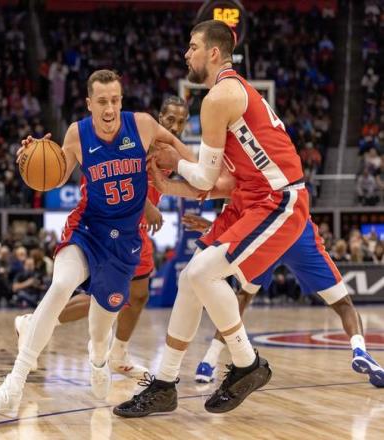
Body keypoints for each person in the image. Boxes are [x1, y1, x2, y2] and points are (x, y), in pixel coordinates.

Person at [114, 20, 311, 418]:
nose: (186, 54)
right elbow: (221, 185)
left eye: (193, 47)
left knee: (204, 273)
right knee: (190, 278)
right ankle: (165, 384)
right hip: (250, 197)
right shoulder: (230, 96)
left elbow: (203, 178)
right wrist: (167, 185)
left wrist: (175, 158)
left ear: (214, 52)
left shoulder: (219, 97)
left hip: (279, 199)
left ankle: (247, 362)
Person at [0, 70, 194, 418]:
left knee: (101, 328)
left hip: (125, 243)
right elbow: (56, 176)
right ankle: (12, 387)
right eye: (102, 101)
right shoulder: (78, 133)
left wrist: (205, 173)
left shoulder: (143, 125)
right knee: (61, 284)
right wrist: (33, 160)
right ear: (89, 104)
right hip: (87, 228)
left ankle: (100, 358)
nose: (109, 108)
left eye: (115, 100)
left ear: (121, 101)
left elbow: (187, 156)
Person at [14, 96, 190, 379]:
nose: (175, 126)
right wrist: (147, 206)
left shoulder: (169, 150)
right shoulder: (137, 137)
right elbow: (117, 173)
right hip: (106, 223)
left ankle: (119, 354)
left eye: (181, 122)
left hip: (134, 229)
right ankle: (34, 323)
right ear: (159, 118)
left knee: (138, 294)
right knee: (106, 298)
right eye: (170, 119)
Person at [177, 200, 384, 388]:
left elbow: (237, 205)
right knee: (343, 304)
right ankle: (359, 350)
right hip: (297, 229)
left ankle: (209, 361)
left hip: (267, 232)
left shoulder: (240, 177)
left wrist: (213, 225)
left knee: (243, 296)